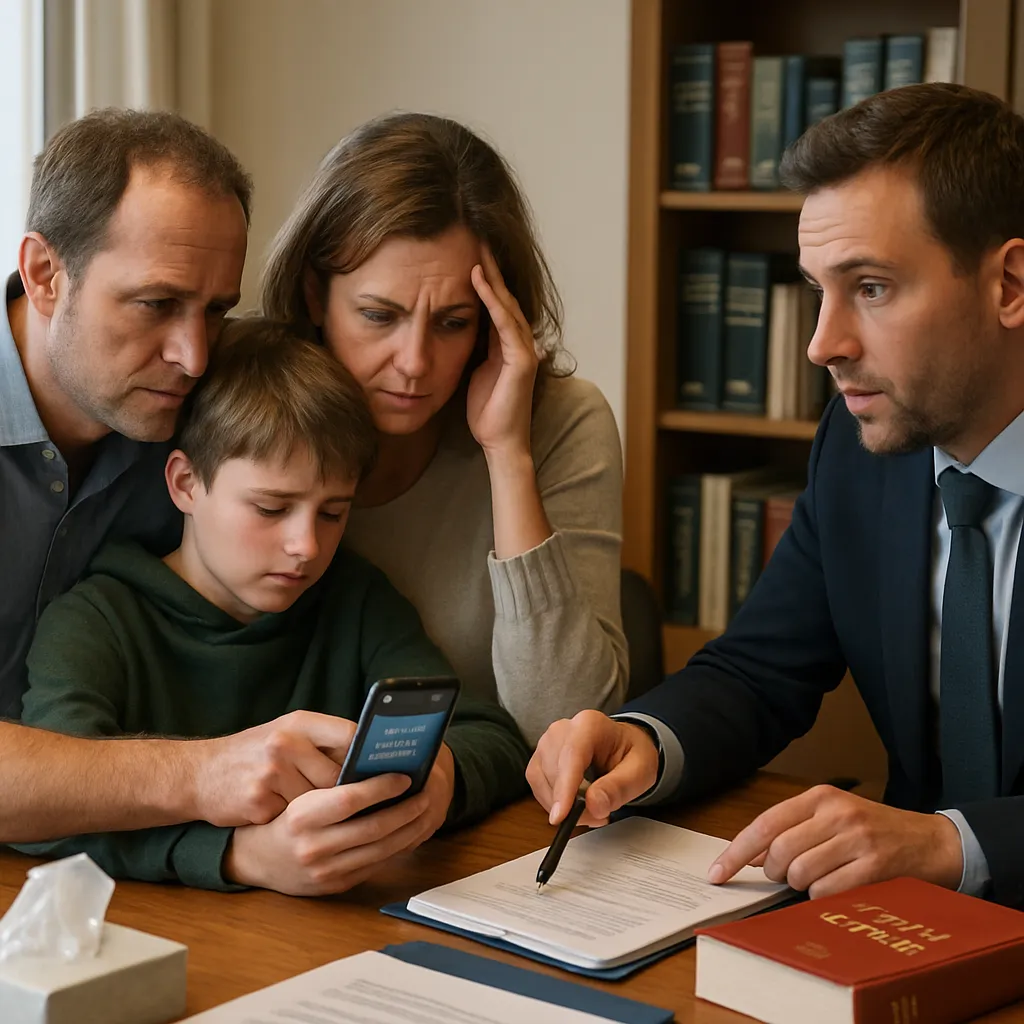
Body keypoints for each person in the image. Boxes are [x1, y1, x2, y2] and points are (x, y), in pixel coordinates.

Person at [526, 82, 1024, 910]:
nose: (822, 344)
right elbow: (759, 671)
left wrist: (953, 842)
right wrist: (643, 741)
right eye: (816, 289)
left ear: (1010, 284)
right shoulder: (861, 453)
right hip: (905, 934)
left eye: (870, 287)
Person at [16, 318, 531, 895]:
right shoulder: (95, 623)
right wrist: (235, 856)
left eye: (333, 513)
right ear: (185, 483)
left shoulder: (351, 597)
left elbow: (491, 735)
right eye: (270, 508)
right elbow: (53, 816)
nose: (306, 546)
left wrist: (442, 780)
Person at [0, 108, 371, 842]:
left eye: (216, 310)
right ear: (45, 274)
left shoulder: (189, 425)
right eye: (157, 304)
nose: (195, 356)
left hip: (101, 869)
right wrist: (204, 776)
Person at [260, 112, 626, 746]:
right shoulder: (243, 404)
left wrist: (508, 454)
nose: (414, 363)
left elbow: (563, 725)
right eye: (379, 315)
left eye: (453, 322)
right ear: (315, 294)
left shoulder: (563, 423)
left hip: (484, 809)